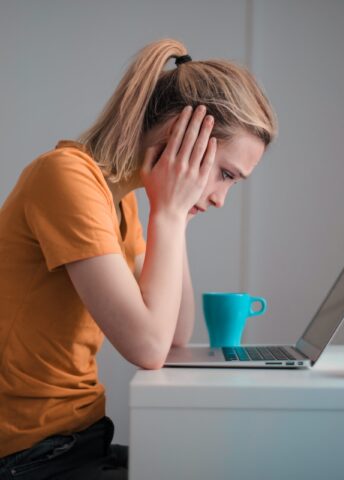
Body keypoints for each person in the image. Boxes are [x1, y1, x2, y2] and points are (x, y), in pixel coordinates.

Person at [0, 38, 277, 479]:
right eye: (225, 174)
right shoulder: (67, 178)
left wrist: (176, 217)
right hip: (30, 456)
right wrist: (167, 213)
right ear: (183, 137)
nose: (223, 198)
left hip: (80, 438)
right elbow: (147, 347)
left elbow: (173, 336)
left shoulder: (120, 200)